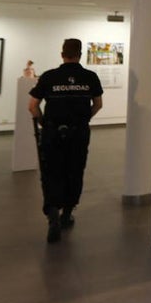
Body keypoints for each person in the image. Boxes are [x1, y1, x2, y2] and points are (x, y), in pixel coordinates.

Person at [28, 38, 103, 243]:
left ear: (62, 54)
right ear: (81, 55)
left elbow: (32, 106)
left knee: (51, 172)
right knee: (75, 170)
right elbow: (98, 104)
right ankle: (67, 213)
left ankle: (53, 213)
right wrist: (84, 118)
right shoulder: (90, 77)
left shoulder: (49, 77)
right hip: (78, 133)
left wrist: (44, 123)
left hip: (52, 133)